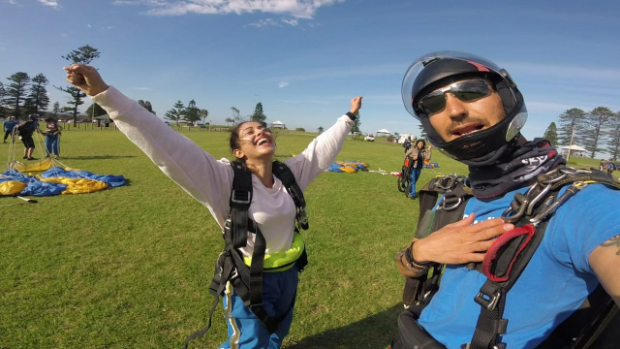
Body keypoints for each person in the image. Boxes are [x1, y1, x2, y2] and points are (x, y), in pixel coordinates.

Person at [63, 63, 363, 349]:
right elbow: (164, 142)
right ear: (239, 151)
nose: (261, 132)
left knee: (278, 330)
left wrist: (348, 117)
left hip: (288, 273)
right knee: (249, 342)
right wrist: (102, 92)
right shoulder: (222, 180)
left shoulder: (289, 173)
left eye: (263, 128)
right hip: (249, 278)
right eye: (250, 132)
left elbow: (321, 149)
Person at [394, 51, 619, 348]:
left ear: (506, 96)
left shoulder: (583, 202)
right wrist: (421, 251)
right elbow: (407, 262)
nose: (454, 110)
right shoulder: (453, 197)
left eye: (470, 91)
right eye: (434, 104)